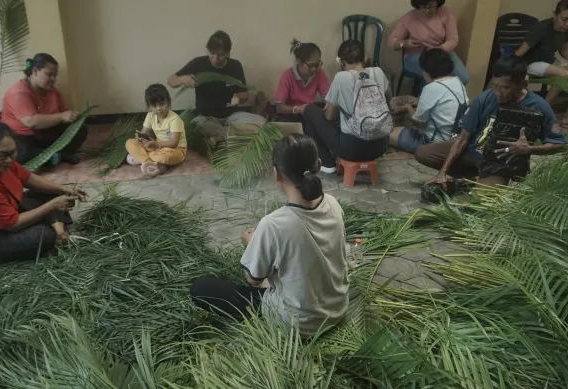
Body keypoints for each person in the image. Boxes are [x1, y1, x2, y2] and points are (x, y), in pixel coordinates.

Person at [190, 134, 349, 336]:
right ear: (318, 166)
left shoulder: (273, 224)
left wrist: (250, 243)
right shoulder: (333, 203)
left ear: (277, 173)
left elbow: (253, 279)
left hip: (299, 323)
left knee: (201, 287)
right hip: (336, 308)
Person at [0, 121, 88, 264]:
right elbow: (12, 225)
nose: (9, 160)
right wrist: (51, 206)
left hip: (7, 210)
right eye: (2, 155)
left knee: (55, 193)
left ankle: (61, 234)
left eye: (13, 152)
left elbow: (27, 178)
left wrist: (64, 189)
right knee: (43, 234)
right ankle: (54, 232)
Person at [416, 56, 567, 187]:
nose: (498, 93)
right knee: (423, 153)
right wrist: (443, 172)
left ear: (522, 85)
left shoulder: (539, 106)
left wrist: (529, 150)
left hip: (500, 161)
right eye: (495, 86)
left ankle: (488, 180)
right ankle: (475, 177)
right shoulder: (485, 98)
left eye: (505, 88)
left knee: (483, 199)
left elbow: (559, 144)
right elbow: (463, 137)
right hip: (474, 151)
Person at [303, 40, 391, 173]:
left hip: (352, 150)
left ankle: (326, 162)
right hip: (381, 146)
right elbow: (388, 100)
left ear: (342, 63)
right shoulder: (378, 72)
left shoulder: (341, 77)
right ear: (365, 58)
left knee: (310, 110)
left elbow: (329, 116)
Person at [167, 30, 265, 145]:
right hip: (205, 117)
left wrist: (239, 97)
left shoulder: (235, 66)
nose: (214, 58)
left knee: (261, 122)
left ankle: (220, 137)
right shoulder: (198, 63)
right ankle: (230, 135)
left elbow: (245, 93)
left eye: (220, 54)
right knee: (196, 126)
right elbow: (171, 81)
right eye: (211, 53)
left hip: (231, 116)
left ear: (228, 53)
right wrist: (183, 79)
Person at [514, 0, 568, 127]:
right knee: (564, 75)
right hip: (531, 63)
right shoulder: (542, 27)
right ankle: (540, 112)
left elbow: (564, 51)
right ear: (555, 14)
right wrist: (514, 70)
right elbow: (519, 53)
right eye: (564, 19)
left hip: (550, 62)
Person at [1, 53, 87, 165]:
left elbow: (64, 114)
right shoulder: (18, 92)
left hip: (44, 132)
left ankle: (52, 155)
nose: (53, 79)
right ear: (35, 71)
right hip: (22, 135)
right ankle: (57, 155)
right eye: (49, 74)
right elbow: (31, 122)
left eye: (55, 75)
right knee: (22, 154)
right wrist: (61, 117)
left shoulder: (53, 92)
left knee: (80, 130)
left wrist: (72, 117)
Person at [390, 48, 468, 153]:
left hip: (435, 143)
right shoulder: (458, 82)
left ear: (426, 71)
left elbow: (419, 123)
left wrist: (408, 109)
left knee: (390, 134)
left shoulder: (431, 88)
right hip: (455, 139)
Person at [388, 0, 470, 86]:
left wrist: (440, 49)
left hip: (441, 52)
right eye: (423, 7)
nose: (427, 10)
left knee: (463, 78)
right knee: (434, 78)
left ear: (437, 3)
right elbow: (391, 42)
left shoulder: (445, 13)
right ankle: (424, 97)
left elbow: (453, 40)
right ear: (417, 5)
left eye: (431, 6)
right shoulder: (409, 18)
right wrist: (404, 43)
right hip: (417, 55)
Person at [124, 84, 188, 177]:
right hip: (157, 147)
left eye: (162, 104)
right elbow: (144, 132)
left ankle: (143, 157)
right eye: (154, 105)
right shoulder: (150, 116)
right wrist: (140, 137)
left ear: (168, 102)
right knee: (129, 143)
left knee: (165, 156)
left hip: (175, 150)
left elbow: (174, 143)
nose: (159, 108)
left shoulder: (175, 119)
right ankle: (150, 163)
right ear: (149, 106)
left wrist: (156, 144)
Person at [273, 39, 330, 122]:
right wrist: (297, 109)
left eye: (317, 65)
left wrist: (329, 105)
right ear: (299, 61)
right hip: (291, 114)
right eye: (310, 65)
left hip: (309, 112)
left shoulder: (319, 73)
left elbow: (328, 96)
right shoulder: (287, 76)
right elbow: (279, 107)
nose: (314, 69)